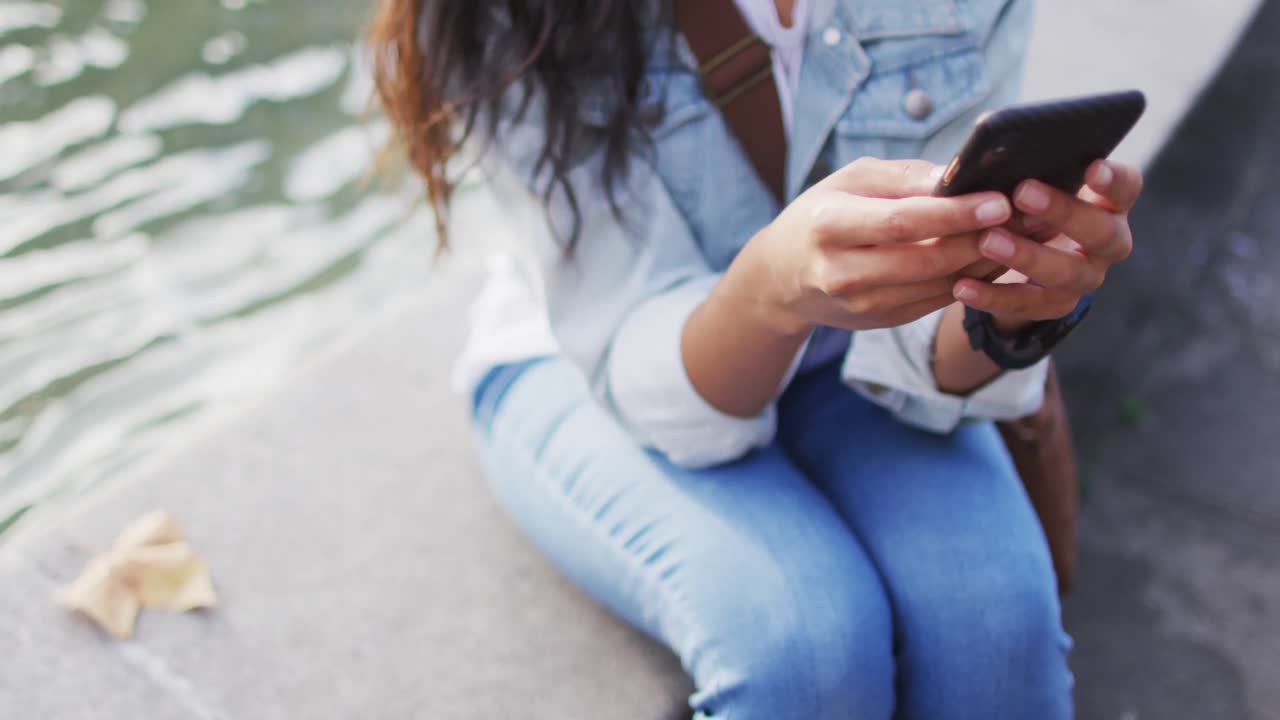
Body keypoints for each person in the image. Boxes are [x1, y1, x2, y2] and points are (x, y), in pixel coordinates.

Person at [369, 1, 1141, 718]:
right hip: (586, 354)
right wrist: (774, 286)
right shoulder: (502, 15)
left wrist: (1010, 301)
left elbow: (933, 335)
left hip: (858, 343)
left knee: (995, 625)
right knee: (804, 646)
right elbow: (636, 353)